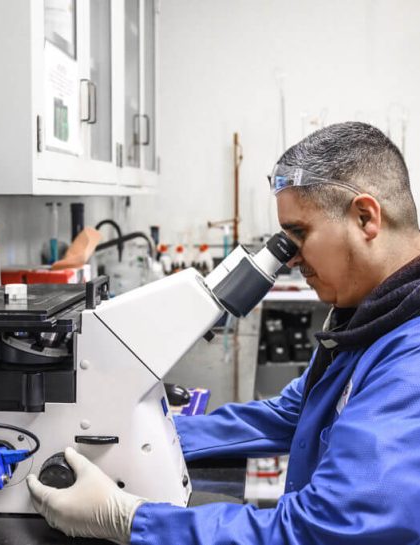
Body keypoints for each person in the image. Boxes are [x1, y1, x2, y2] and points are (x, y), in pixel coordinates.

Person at [26, 122, 420, 544]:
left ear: (365, 217)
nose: (289, 258)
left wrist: (130, 519)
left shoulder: (409, 364)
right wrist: (140, 434)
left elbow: (321, 529)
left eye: (299, 233)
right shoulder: (372, 320)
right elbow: (290, 414)